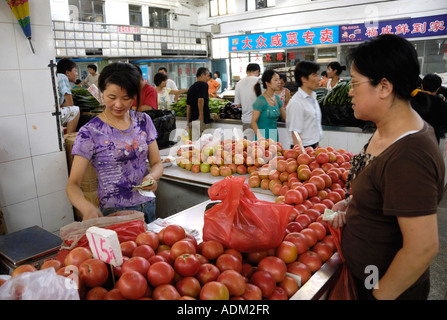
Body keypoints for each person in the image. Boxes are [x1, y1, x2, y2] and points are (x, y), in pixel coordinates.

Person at [329, 34, 445, 300]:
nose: (349, 91)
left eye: (355, 83)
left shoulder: (410, 155)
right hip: (364, 276)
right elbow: (382, 188)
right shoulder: (387, 130)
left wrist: (380, 294)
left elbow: (423, 247)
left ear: (384, 87)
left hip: (385, 288)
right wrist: (351, 204)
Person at [66, 62, 163, 224]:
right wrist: (87, 208)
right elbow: (73, 184)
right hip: (114, 213)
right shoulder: (90, 132)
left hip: (148, 205)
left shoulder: (143, 120)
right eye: (112, 97)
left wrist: (152, 177)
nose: (118, 104)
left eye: (126, 98)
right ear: (101, 93)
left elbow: (157, 162)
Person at [286, 61, 323, 149]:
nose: (319, 79)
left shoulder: (313, 97)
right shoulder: (297, 102)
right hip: (302, 148)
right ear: (304, 79)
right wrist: (303, 155)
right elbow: (295, 133)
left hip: (313, 145)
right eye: (315, 75)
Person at [410, 73, 447, 143]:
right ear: (437, 90)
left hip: (411, 141)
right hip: (432, 144)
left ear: (421, 86)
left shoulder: (411, 100)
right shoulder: (440, 104)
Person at [251, 69, 286, 142]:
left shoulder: (277, 99)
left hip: (273, 135)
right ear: (268, 83)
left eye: (279, 79)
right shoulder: (260, 100)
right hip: (262, 137)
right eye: (276, 80)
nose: (279, 82)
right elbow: (253, 122)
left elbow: (285, 117)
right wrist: (260, 138)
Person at [234, 63, 261, 139]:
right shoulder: (260, 81)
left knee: (248, 148)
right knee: (262, 147)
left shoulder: (239, 83)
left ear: (246, 72)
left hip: (247, 121)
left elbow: (238, 105)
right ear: (257, 71)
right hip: (260, 120)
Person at [56, 58, 80, 134]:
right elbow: (70, 104)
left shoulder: (57, 77)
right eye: (75, 71)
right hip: (53, 115)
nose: (76, 74)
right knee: (75, 110)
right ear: (67, 73)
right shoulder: (63, 77)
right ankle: (68, 139)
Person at [186, 67, 212, 139]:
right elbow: (200, 99)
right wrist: (201, 115)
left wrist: (188, 121)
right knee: (204, 143)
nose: (208, 78)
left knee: (195, 143)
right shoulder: (204, 85)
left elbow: (188, 106)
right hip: (201, 120)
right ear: (202, 75)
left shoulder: (191, 87)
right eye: (207, 76)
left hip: (193, 120)